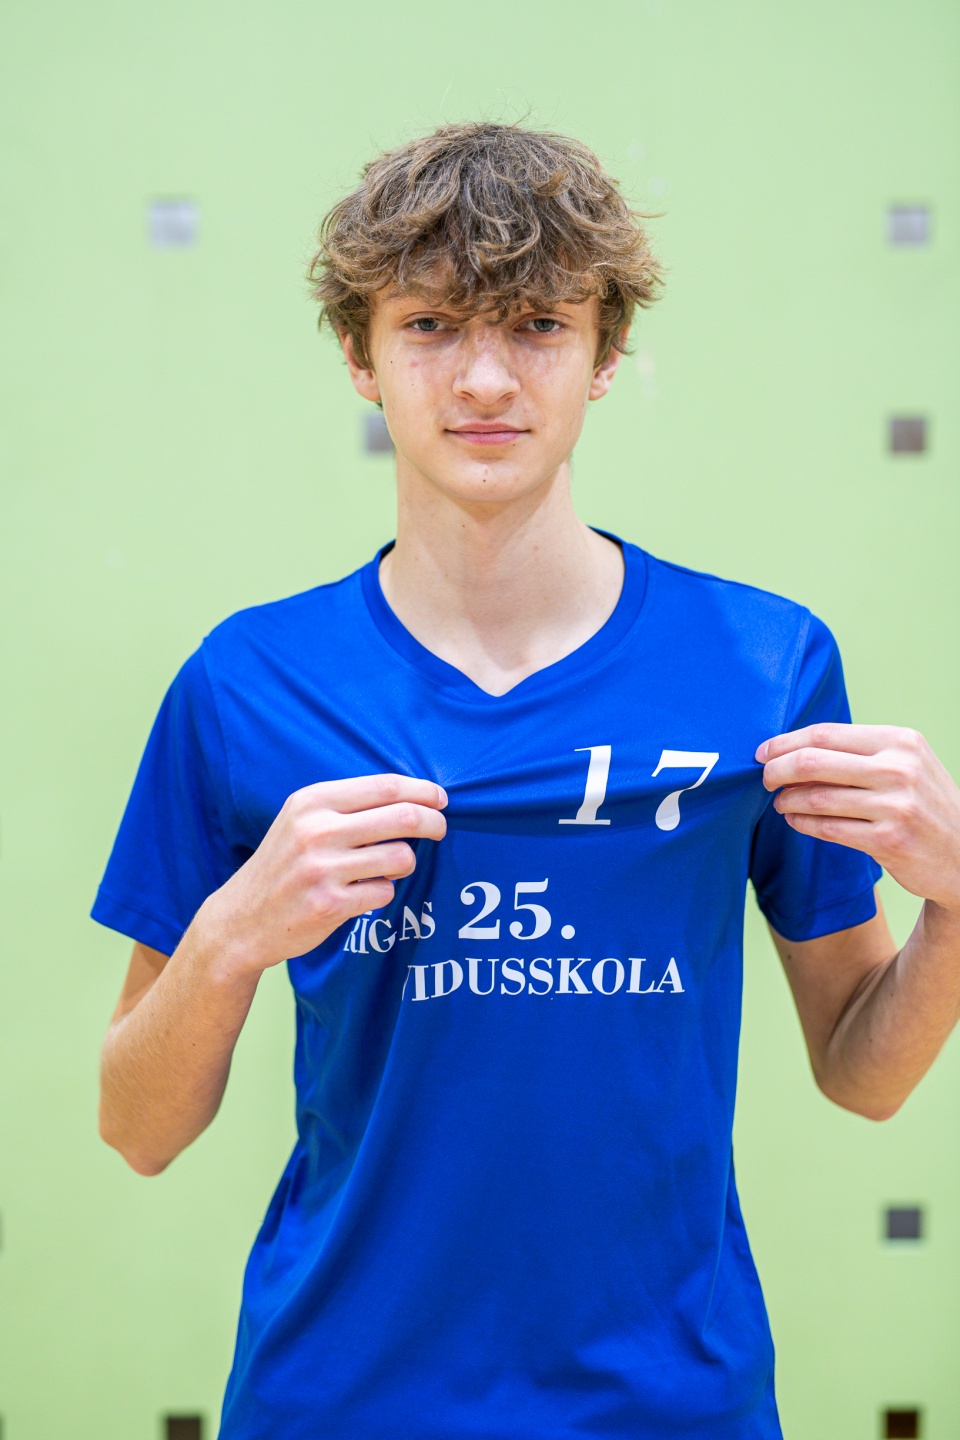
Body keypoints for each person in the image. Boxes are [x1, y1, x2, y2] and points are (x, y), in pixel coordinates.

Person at [94, 122, 960, 1440]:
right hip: (338, 1399)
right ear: (361, 356)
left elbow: (864, 1071)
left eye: (540, 325)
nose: (487, 378)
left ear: (606, 354)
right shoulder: (247, 681)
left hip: (671, 1403)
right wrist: (229, 936)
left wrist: (956, 903)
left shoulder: (762, 664)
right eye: (431, 326)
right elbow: (137, 1128)